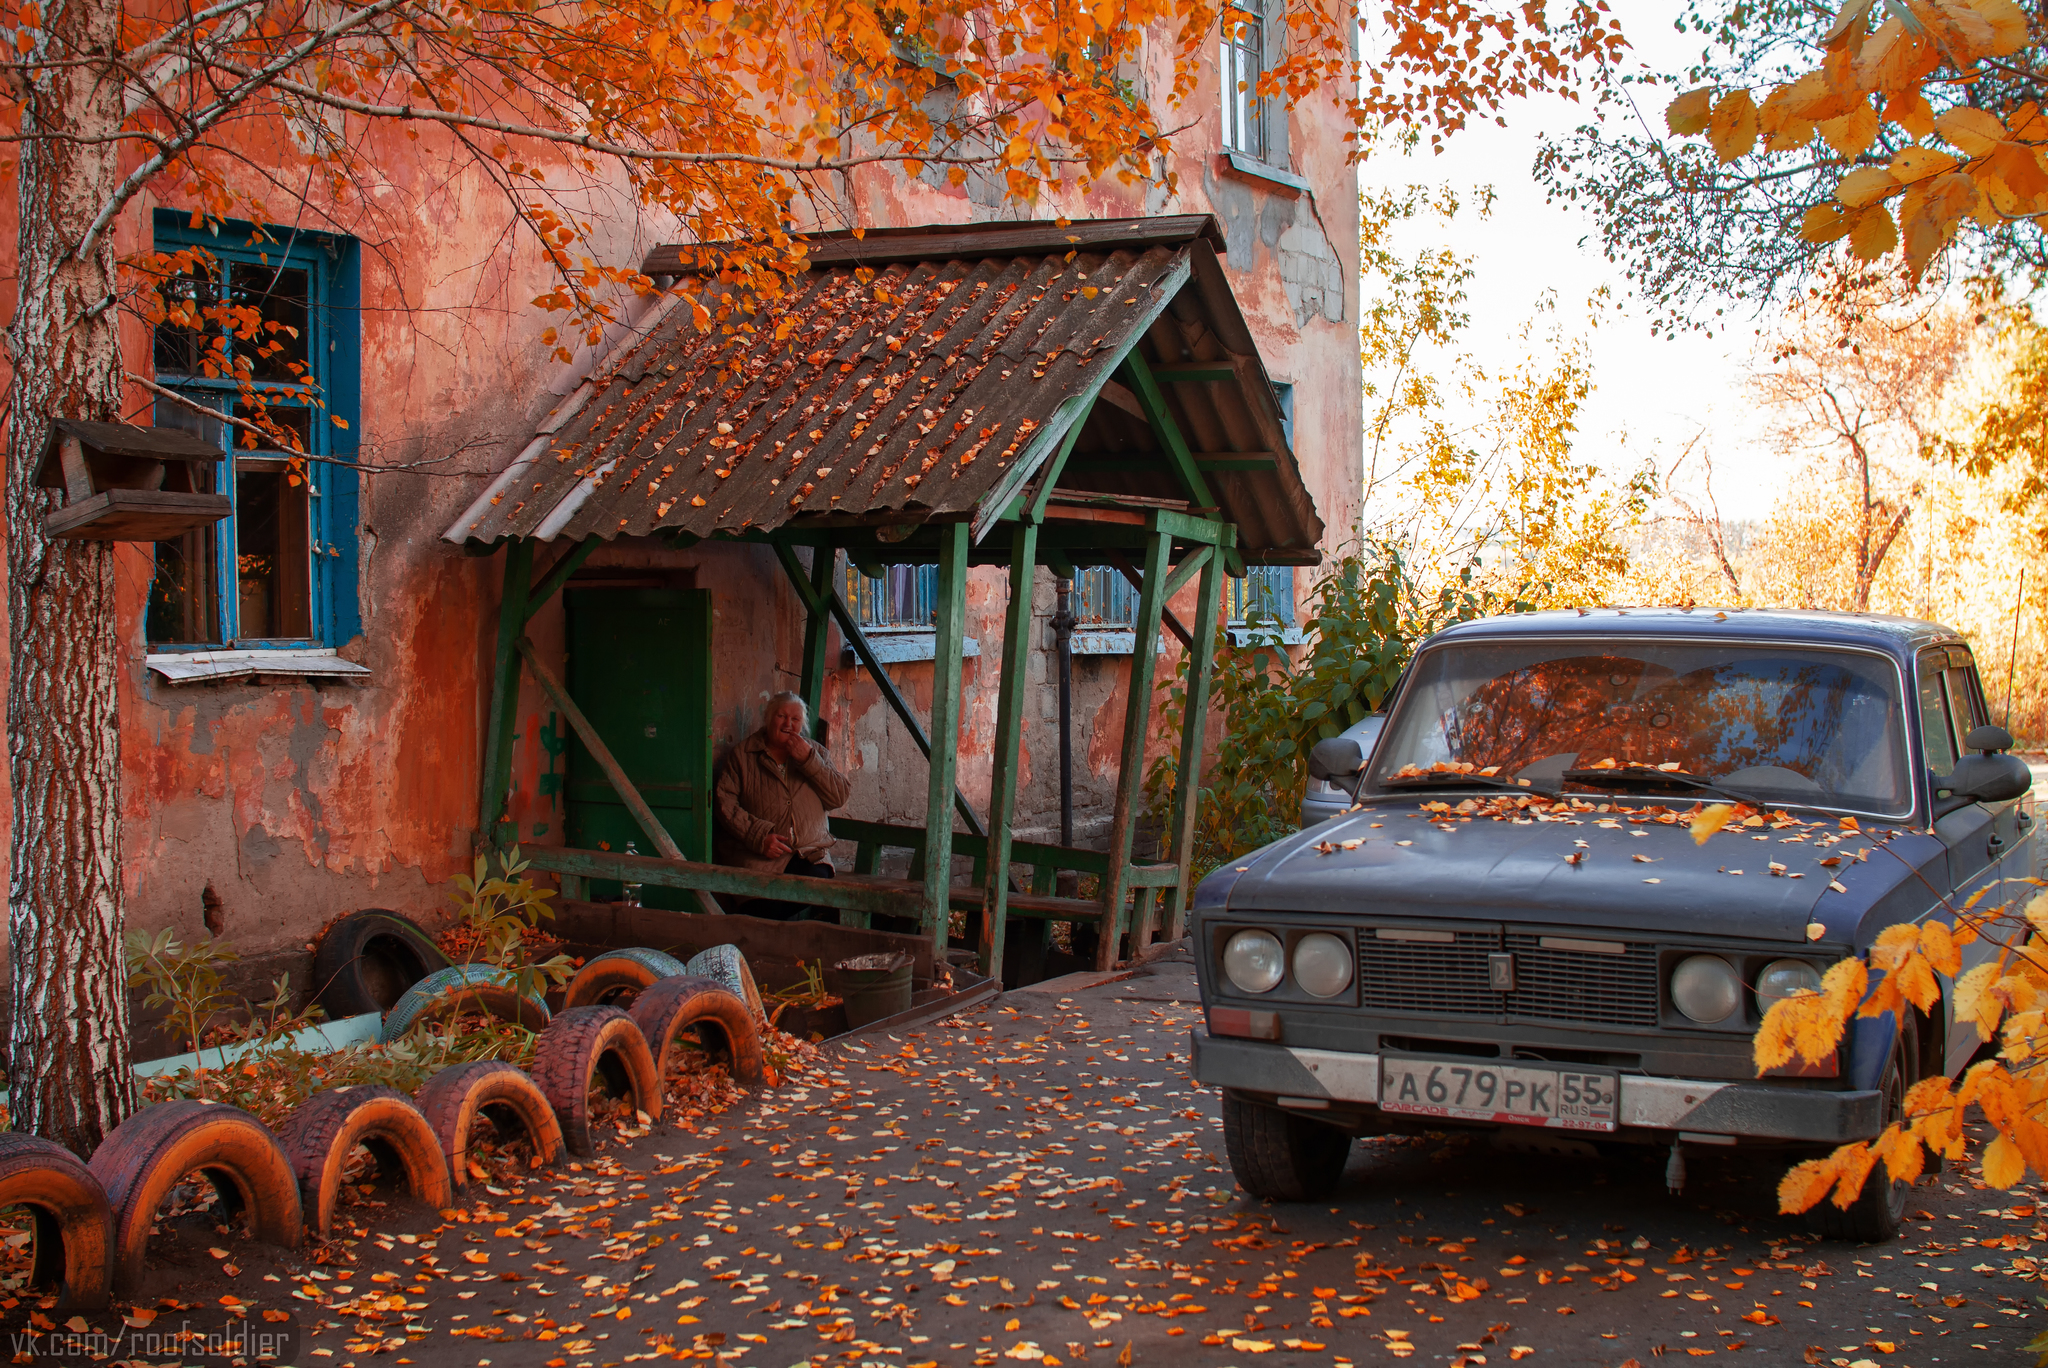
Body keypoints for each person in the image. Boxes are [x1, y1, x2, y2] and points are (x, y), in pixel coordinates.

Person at [713, 691, 852, 920]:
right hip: (757, 858)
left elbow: (838, 797)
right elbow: (724, 803)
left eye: (795, 719)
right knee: (762, 906)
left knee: (817, 892)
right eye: (781, 716)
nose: (788, 724)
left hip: (810, 855)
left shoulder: (816, 752)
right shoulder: (743, 755)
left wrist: (809, 760)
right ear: (768, 719)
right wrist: (758, 836)